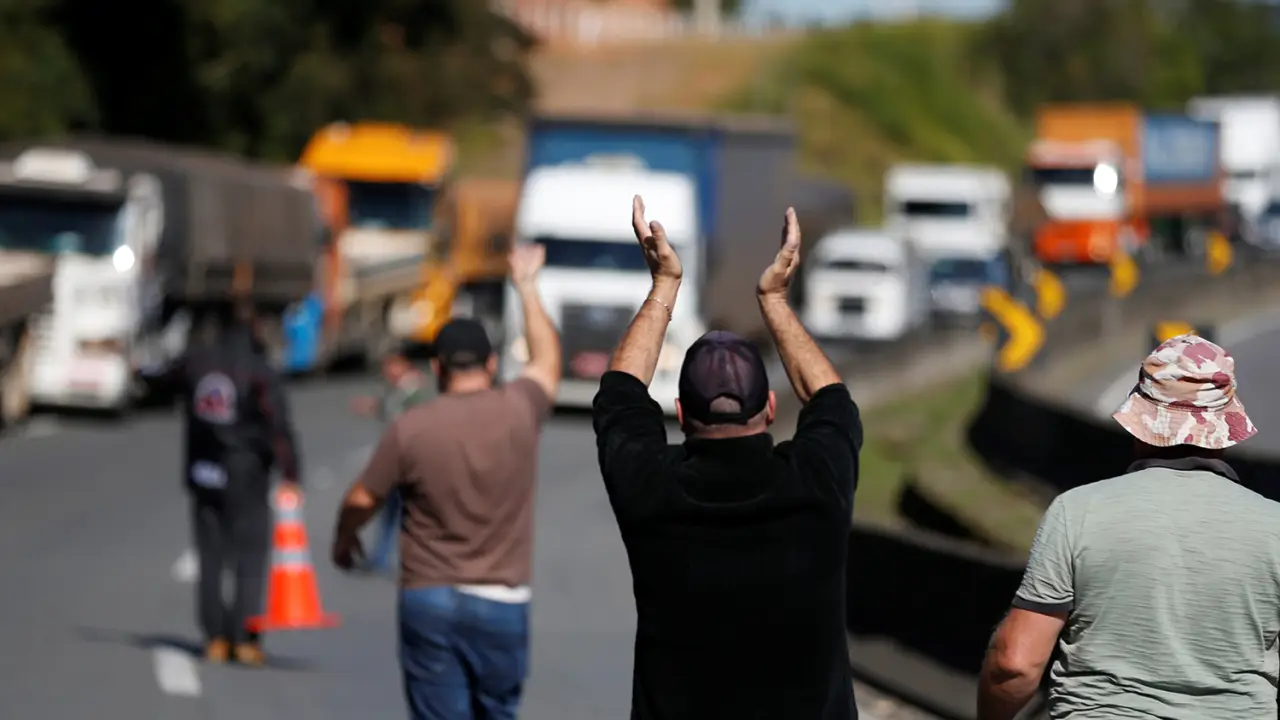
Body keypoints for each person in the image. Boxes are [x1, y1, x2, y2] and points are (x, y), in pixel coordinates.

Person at [592, 197, 862, 719]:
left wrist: (665, 285)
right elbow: (831, 398)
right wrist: (775, 299)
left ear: (679, 412)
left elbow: (620, 391)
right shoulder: (818, 482)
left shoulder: (649, 486)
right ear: (770, 406)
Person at [978, 333, 1277, 720]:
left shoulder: (1077, 512)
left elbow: (1015, 663)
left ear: (1139, 423)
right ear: (1225, 427)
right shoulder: (1274, 527)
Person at [330, 244, 560, 720]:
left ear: (436, 368)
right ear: (491, 365)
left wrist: (345, 536)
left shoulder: (412, 427)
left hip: (428, 597)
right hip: (502, 600)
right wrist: (526, 285)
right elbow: (547, 360)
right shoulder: (519, 410)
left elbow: (361, 498)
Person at [170, 300, 303, 667]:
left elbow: (162, 376)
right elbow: (278, 427)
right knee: (249, 557)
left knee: (210, 557)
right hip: (246, 476)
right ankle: (244, 638)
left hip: (202, 472)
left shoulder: (197, 363)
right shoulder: (258, 371)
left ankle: (214, 637)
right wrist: (291, 474)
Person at [350, 353, 429, 573]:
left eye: (391, 367)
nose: (388, 372)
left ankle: (412, 561)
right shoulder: (400, 390)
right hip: (395, 463)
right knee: (389, 513)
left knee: (410, 514)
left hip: (408, 463)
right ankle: (380, 558)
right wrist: (370, 407)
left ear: (404, 366)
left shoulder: (416, 391)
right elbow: (389, 408)